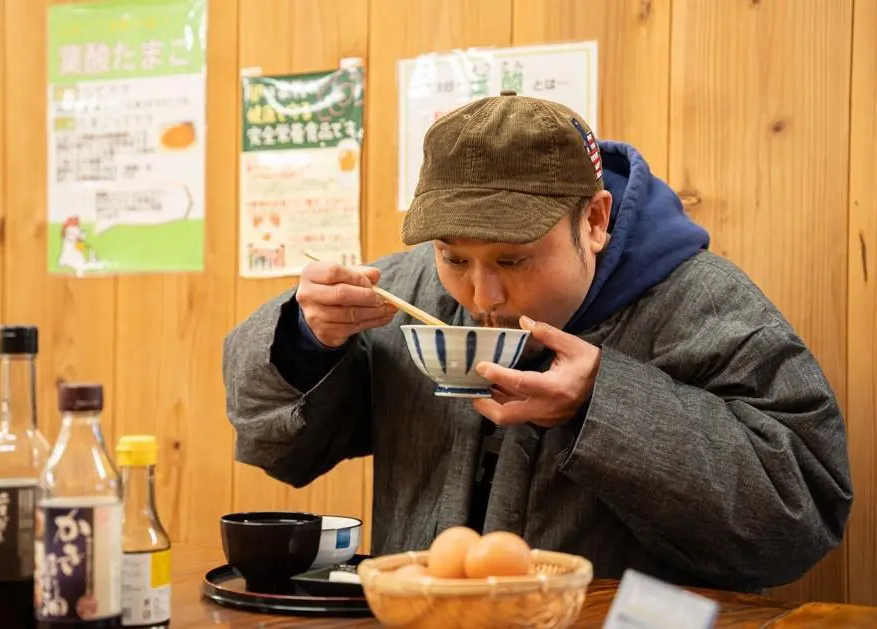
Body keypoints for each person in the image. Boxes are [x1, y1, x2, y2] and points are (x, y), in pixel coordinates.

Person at [222, 90, 852, 593]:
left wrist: (603, 403)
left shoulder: (700, 304)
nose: (481, 295)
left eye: (514, 260)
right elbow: (279, 445)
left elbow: (799, 514)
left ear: (596, 220)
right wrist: (307, 339)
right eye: (452, 256)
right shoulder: (405, 289)